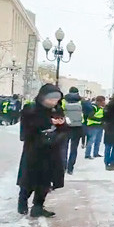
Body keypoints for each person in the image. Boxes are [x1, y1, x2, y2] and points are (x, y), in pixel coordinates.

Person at [17, 84, 67, 217]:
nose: (53, 102)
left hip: (51, 150)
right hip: (34, 150)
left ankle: (38, 206)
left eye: (56, 99)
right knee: (29, 178)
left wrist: (60, 127)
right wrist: (47, 124)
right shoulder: (30, 109)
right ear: (42, 97)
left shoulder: (57, 110)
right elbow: (25, 132)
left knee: (46, 180)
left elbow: (65, 129)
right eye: (50, 99)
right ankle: (22, 200)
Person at [61, 87, 86, 175]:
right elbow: (89, 110)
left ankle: (63, 166)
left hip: (65, 127)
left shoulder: (63, 101)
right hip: (77, 127)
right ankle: (70, 167)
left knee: (64, 147)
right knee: (74, 148)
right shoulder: (81, 102)